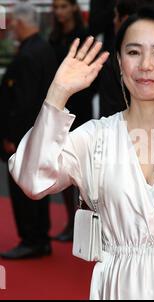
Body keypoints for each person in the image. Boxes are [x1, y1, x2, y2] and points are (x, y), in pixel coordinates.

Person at [8, 5, 154, 299]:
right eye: (134, 52)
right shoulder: (97, 137)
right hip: (120, 290)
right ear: (119, 62)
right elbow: (32, 179)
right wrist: (57, 94)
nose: (146, 65)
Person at [0, 2, 57, 259]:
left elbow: (22, 102)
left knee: (23, 188)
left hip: (23, 136)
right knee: (36, 187)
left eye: (13, 23)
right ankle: (39, 238)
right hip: (37, 133)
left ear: (22, 23)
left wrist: (12, 137)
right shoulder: (43, 49)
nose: (11, 27)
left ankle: (32, 238)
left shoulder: (28, 55)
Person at [49, 0, 94, 241]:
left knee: (82, 171)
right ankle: (70, 222)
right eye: (56, 7)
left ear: (74, 8)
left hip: (80, 108)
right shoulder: (54, 37)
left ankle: (86, 226)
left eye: (64, 6)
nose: (59, 11)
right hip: (59, 108)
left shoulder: (83, 36)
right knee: (60, 164)